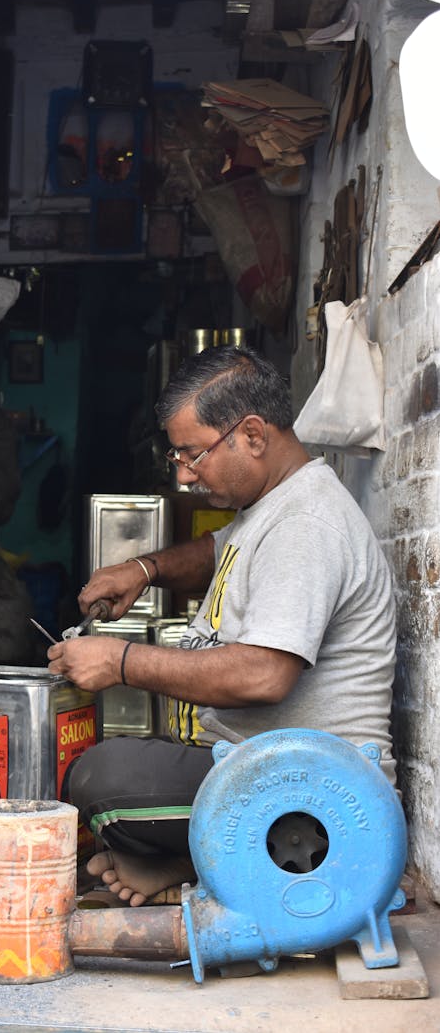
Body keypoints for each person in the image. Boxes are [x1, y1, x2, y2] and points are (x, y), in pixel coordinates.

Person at [47, 345, 396, 906]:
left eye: (193, 455)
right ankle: (192, 861)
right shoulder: (276, 505)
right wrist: (146, 569)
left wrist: (121, 661)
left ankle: (195, 862)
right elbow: (219, 551)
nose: (184, 477)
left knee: (101, 780)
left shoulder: (305, 525)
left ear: (253, 435)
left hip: (317, 792)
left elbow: (264, 676)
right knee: (116, 763)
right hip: (261, 764)